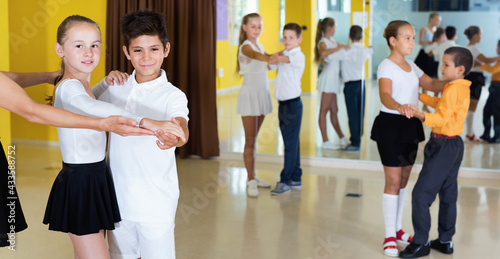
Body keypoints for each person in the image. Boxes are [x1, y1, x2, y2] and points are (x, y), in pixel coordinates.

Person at [42, 15, 185, 259]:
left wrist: (106, 82)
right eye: (79, 45)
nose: (88, 52)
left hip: (104, 182)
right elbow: (94, 108)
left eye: (94, 45)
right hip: (86, 181)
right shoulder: (70, 87)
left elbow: (91, 101)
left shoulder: (92, 86)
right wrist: (144, 120)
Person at [0, 72, 152, 248]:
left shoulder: (74, 87)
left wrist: (48, 77)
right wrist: (105, 123)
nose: (88, 53)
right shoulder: (68, 87)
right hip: (80, 178)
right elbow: (32, 111)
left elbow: (7, 79)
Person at [91, 10, 189, 258]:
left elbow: (180, 127)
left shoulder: (173, 95)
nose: (146, 57)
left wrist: (176, 138)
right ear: (126, 53)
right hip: (118, 200)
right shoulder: (116, 87)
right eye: (138, 50)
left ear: (166, 49)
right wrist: (104, 82)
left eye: (154, 49)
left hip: (156, 203)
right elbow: (79, 103)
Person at [370, 20, 447, 257]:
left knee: (403, 180)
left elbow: (432, 84)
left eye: (413, 37)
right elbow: (384, 95)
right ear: (393, 41)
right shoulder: (386, 66)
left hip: (411, 126)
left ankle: (398, 229)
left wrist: (457, 80)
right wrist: (399, 106)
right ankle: (389, 236)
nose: (412, 42)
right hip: (391, 126)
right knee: (393, 182)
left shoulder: (412, 65)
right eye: (407, 38)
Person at [399, 47, 473, 258]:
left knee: (421, 195)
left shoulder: (452, 88)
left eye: (446, 65)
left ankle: (421, 243)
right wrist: (419, 96)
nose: (441, 68)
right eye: (442, 63)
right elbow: (443, 106)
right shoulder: (460, 87)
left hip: (442, 147)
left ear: (460, 69)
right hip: (455, 145)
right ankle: (445, 241)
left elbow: (440, 118)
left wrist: (418, 115)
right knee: (448, 194)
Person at [235, 13, 273, 197]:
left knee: (254, 140)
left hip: (261, 95)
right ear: (244, 27)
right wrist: (272, 58)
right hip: (250, 97)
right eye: (253, 26)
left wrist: (285, 54)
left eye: (259, 26)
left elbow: (267, 56)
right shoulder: (246, 47)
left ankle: (253, 175)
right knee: (249, 140)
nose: (257, 30)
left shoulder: (260, 45)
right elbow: (258, 56)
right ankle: (250, 180)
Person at [268, 23, 305, 195]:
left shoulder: (298, 56)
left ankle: (285, 181)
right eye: (284, 37)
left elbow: (284, 60)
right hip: (283, 105)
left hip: (293, 105)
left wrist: (278, 55)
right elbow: (271, 65)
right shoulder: (285, 54)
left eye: (291, 37)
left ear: (299, 39)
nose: (287, 40)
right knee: (292, 142)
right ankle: (296, 177)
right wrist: (277, 56)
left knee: (289, 144)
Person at [314, 17, 350, 150]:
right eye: (335, 27)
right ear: (330, 29)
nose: (335, 29)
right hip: (328, 79)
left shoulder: (332, 41)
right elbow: (323, 52)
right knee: (324, 110)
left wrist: (342, 47)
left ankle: (341, 138)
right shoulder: (323, 42)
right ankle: (325, 141)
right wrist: (338, 48)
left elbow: (338, 48)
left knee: (334, 110)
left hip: (334, 79)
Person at [338, 25, 373, 151]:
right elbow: (371, 50)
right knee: (360, 112)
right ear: (362, 37)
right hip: (361, 84)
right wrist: (369, 48)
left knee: (352, 113)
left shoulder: (346, 50)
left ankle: (355, 142)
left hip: (350, 85)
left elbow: (330, 57)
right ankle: (358, 136)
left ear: (349, 37)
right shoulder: (365, 50)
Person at [463, 26, 500, 142]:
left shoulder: (468, 48)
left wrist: (479, 63)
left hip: (474, 78)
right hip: (475, 79)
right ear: (474, 36)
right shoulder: (474, 49)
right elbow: (487, 61)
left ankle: (472, 133)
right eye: (480, 34)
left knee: (474, 107)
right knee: (473, 107)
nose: (481, 37)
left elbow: (485, 63)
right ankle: (470, 133)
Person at [480, 40, 500, 143]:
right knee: (487, 111)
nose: (496, 49)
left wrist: (481, 65)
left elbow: (492, 70)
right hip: (494, 88)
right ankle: (486, 134)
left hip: (498, 90)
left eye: (498, 46)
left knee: (497, 113)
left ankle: (497, 136)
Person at [414, 12, 441, 77]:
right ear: (431, 19)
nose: (438, 22)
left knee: (431, 74)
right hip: (424, 53)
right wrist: (429, 42)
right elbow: (420, 42)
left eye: (439, 21)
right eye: (437, 20)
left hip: (433, 53)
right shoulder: (424, 29)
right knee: (420, 72)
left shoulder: (437, 31)